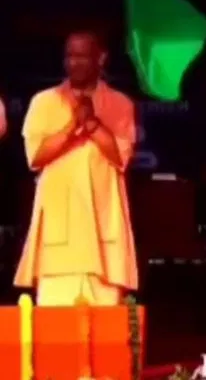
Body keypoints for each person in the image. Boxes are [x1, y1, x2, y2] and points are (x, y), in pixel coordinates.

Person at [14, 30, 138, 306]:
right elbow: (35, 156)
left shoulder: (120, 104)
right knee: (55, 324)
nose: (74, 63)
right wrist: (71, 128)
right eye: (69, 56)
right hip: (58, 240)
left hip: (103, 238)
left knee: (106, 323)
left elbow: (121, 157)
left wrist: (92, 124)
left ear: (100, 59)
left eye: (81, 56)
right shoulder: (44, 102)